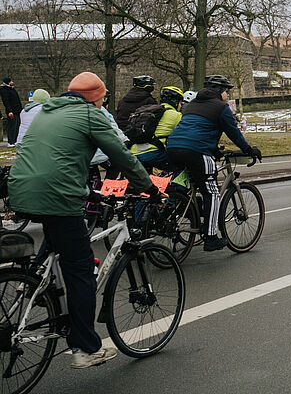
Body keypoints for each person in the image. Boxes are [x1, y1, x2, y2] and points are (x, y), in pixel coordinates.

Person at [9, 71, 164, 369]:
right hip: (56, 197)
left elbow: (57, 158)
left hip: (21, 191)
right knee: (81, 270)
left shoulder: (44, 113)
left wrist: (89, 194)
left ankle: (32, 283)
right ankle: (85, 347)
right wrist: (150, 190)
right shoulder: (90, 115)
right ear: (96, 98)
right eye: (103, 99)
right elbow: (121, 155)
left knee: (59, 243)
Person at [166, 75, 262, 251]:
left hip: (173, 148)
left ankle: (177, 213)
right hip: (196, 151)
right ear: (220, 91)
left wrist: (214, 149)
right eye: (227, 90)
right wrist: (249, 150)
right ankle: (210, 237)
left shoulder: (192, 104)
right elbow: (234, 133)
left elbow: (197, 129)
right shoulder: (221, 107)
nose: (228, 94)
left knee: (183, 186)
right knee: (212, 192)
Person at [131, 86, 184, 171]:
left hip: (133, 152)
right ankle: (176, 184)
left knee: (144, 180)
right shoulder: (176, 115)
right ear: (175, 102)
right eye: (180, 103)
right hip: (153, 153)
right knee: (182, 166)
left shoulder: (153, 111)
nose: (181, 106)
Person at [0, 77, 23, 146]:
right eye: (11, 81)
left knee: (17, 125)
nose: (12, 82)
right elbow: (6, 102)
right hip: (12, 111)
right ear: (8, 82)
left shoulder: (11, 89)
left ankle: (15, 140)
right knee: (12, 126)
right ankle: (11, 141)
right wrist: (9, 111)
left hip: (17, 110)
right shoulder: (4, 90)